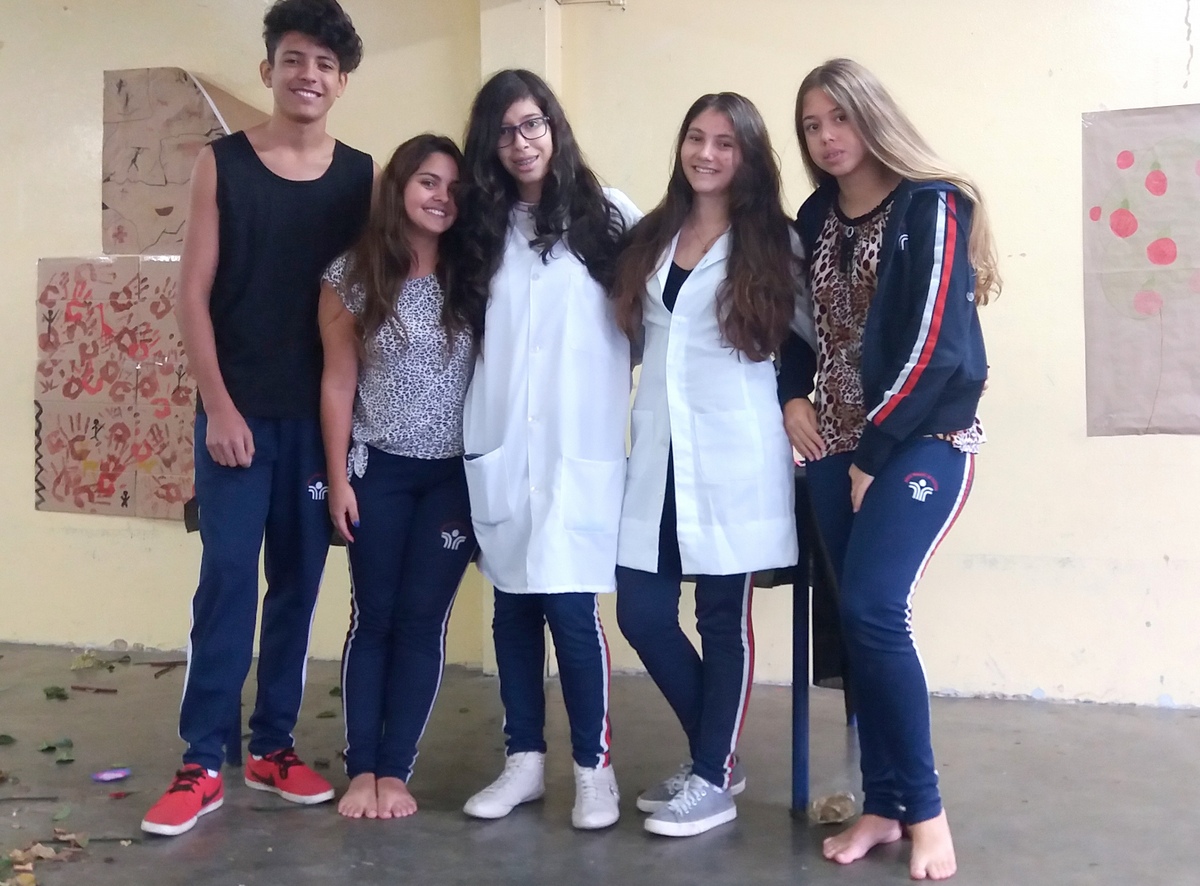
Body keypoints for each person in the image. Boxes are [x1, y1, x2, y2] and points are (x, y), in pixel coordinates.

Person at [141, 0, 374, 837]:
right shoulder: (223, 164)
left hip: (316, 424)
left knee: (298, 588)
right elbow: (192, 294)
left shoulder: (361, 177)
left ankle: (273, 745)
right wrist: (218, 407)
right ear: (270, 68)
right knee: (228, 582)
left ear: (342, 83)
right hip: (236, 419)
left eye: (325, 65)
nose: (309, 75)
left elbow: (367, 303)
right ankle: (203, 759)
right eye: (295, 59)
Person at [780, 58, 999, 880]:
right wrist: (789, 395)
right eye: (812, 125)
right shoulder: (814, 217)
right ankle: (882, 804)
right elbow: (799, 327)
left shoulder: (931, 205)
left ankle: (926, 814)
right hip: (832, 446)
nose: (827, 137)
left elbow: (936, 344)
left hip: (921, 442)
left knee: (875, 610)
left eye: (839, 117)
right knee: (857, 625)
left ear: (871, 116)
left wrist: (875, 453)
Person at [609, 93, 816, 837]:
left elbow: (809, 339)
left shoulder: (775, 241)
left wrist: (798, 403)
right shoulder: (654, 234)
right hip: (658, 450)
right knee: (640, 610)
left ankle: (710, 777)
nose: (706, 154)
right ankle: (715, 757)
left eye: (725, 143)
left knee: (722, 618)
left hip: (736, 447)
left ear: (748, 155)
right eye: (696, 138)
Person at [454, 69, 640, 830]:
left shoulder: (610, 216)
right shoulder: (478, 229)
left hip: (577, 446)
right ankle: (523, 762)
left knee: (570, 607)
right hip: (500, 442)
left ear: (554, 128)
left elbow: (651, 321)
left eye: (532, 125)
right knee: (511, 607)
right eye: (504, 131)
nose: (521, 142)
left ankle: (595, 770)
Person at [318, 134, 475, 821]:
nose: (441, 198)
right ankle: (362, 769)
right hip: (377, 471)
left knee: (421, 622)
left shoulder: (473, 272)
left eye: (453, 187)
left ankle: (396, 769)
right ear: (400, 188)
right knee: (374, 617)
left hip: (452, 481)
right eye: (427, 182)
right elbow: (337, 382)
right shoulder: (353, 274)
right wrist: (339, 481)